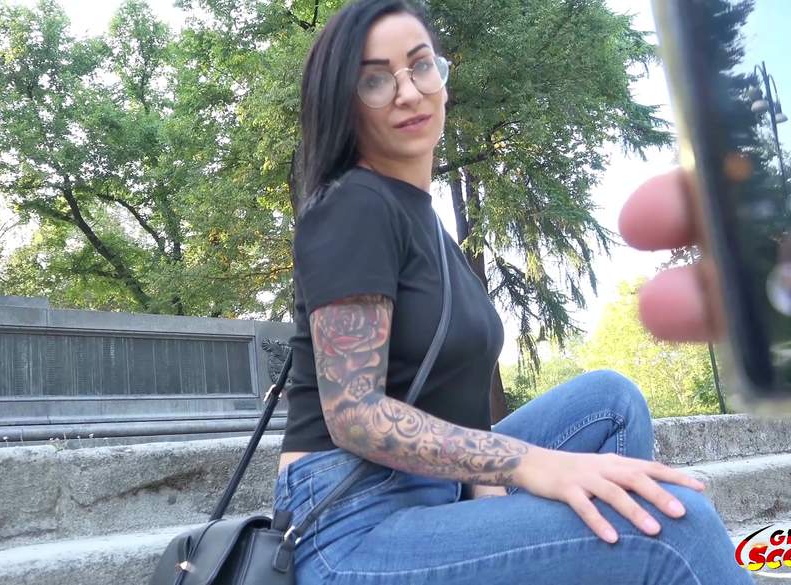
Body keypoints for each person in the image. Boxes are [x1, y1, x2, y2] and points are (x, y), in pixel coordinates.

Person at [274, 0, 755, 583]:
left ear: (442, 77)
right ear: (344, 101)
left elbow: (449, 397)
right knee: (676, 526)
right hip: (348, 527)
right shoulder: (353, 205)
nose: (408, 92)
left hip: (431, 490)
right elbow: (355, 415)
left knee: (610, 401)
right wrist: (526, 464)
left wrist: (486, 483)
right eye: (375, 80)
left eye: (420, 66)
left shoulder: (426, 223)